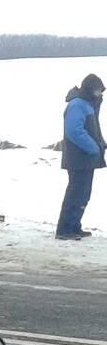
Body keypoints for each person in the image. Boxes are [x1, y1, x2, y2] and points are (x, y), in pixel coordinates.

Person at [56, 73, 106, 240]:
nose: (100, 94)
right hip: (78, 157)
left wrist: (101, 143)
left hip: (86, 157)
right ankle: (64, 229)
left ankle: (74, 226)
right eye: (98, 90)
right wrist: (93, 147)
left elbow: (92, 129)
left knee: (83, 194)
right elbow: (74, 131)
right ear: (90, 89)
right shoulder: (78, 104)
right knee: (75, 193)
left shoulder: (88, 104)